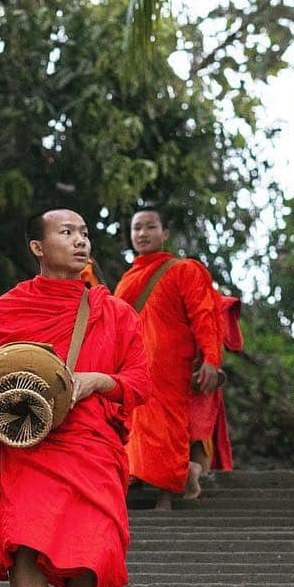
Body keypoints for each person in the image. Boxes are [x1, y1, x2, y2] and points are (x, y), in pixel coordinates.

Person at [0, 209, 150, 587]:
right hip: (31, 441)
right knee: (26, 538)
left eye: (83, 233)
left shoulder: (116, 312)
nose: (80, 241)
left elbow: (141, 381)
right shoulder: (8, 309)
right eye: (66, 233)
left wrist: (98, 380)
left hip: (92, 443)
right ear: (38, 247)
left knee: (94, 551)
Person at [114, 208, 223, 509]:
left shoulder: (183, 269)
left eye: (151, 227)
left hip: (170, 364)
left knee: (167, 427)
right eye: (137, 228)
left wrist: (211, 358)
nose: (143, 234)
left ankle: (165, 497)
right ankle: (130, 486)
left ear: (165, 233)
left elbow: (203, 315)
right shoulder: (127, 279)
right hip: (131, 363)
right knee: (132, 425)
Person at [187, 291, 242, 482]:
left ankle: (198, 475)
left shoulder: (209, 308)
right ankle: (196, 474)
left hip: (199, 387)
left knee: (198, 438)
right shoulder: (196, 306)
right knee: (195, 436)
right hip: (184, 384)